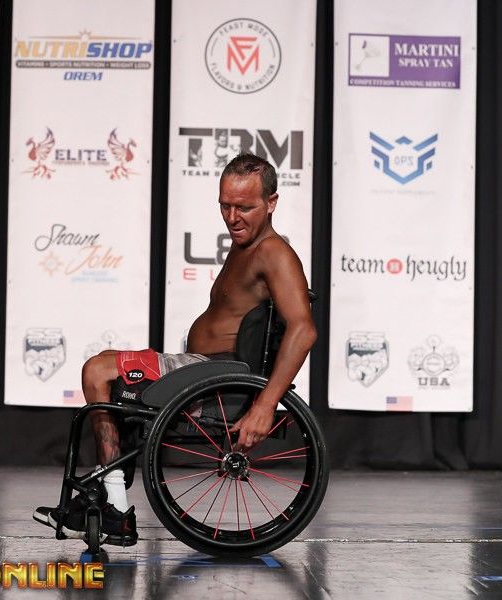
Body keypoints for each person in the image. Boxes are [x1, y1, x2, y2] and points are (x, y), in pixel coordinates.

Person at [34, 153, 317, 545]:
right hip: (205, 371)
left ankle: (115, 508)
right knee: (106, 374)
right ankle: (109, 495)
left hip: (214, 378)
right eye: (225, 205)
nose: (232, 217)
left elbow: (303, 329)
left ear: (271, 203)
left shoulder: (273, 253)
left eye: (245, 208)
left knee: (98, 371)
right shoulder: (247, 245)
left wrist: (265, 406)